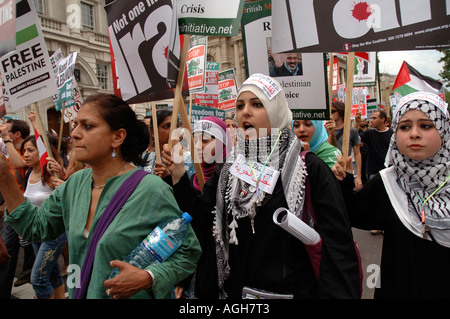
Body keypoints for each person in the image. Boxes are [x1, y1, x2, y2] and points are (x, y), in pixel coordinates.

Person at [169, 73, 360, 298]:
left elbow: (337, 246)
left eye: (257, 104)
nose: (245, 112)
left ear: (276, 110)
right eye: (240, 106)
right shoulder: (229, 169)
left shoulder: (309, 168)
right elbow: (202, 219)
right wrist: (179, 175)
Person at [1, 94, 201, 299]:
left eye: (87, 126)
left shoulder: (151, 189)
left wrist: (148, 277)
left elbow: (187, 252)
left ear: (117, 137)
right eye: (76, 125)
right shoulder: (74, 184)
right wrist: (5, 177)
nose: (75, 134)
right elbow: (34, 227)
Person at [332, 92, 450, 298]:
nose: (414, 134)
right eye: (404, 127)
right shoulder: (389, 181)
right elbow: (352, 212)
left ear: (444, 130)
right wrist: (344, 179)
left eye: (426, 125)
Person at [162, 116, 231, 299]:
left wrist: (178, 174)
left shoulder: (231, 176)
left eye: (206, 139)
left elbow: (200, 218)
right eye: (195, 139)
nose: (198, 145)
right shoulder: (194, 175)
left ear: (223, 142)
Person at [21, 134, 67, 299]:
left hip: (54, 232)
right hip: (36, 231)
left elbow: (66, 198)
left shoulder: (51, 175)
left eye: (30, 150)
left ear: (41, 152)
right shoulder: (28, 174)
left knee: (38, 279)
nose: (25, 154)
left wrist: (61, 174)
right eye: (24, 150)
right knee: (53, 273)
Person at [0, 119, 34, 298]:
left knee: (35, 249)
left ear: (17, 134)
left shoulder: (23, 152)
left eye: (8, 131)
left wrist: (6, 140)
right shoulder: (8, 152)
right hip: (13, 209)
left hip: (26, 210)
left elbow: (19, 164)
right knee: (9, 249)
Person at [328, 101, 363, 190]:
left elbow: (357, 154)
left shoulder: (352, 131)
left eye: (332, 111)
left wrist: (358, 176)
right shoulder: (326, 131)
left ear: (340, 112)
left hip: (346, 169)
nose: (330, 114)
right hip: (331, 169)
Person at [356, 110, 393, 180]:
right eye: (371, 118)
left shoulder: (392, 134)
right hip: (373, 172)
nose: (372, 120)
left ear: (382, 119)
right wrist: (357, 123)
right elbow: (354, 139)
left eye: (374, 118)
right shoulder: (369, 134)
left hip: (388, 171)